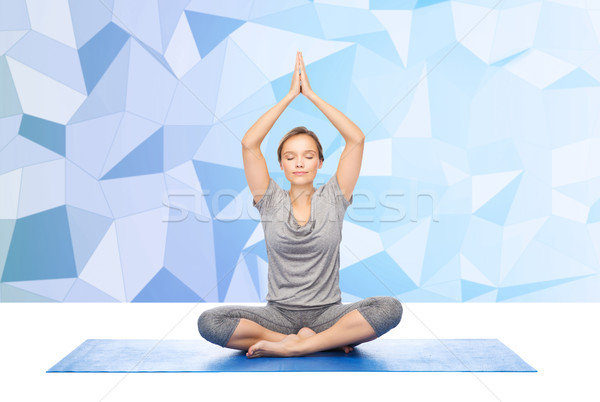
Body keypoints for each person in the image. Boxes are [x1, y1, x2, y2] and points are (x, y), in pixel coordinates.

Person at [198, 51, 402, 358]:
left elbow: (356, 139)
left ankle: (301, 345)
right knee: (210, 322)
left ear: (320, 162)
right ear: (280, 163)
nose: (299, 163)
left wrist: (312, 96)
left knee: (389, 308)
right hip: (278, 317)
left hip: (328, 314)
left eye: (308, 156)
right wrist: (290, 97)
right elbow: (249, 143)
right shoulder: (268, 199)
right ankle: (318, 341)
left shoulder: (334, 196)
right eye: (290, 157)